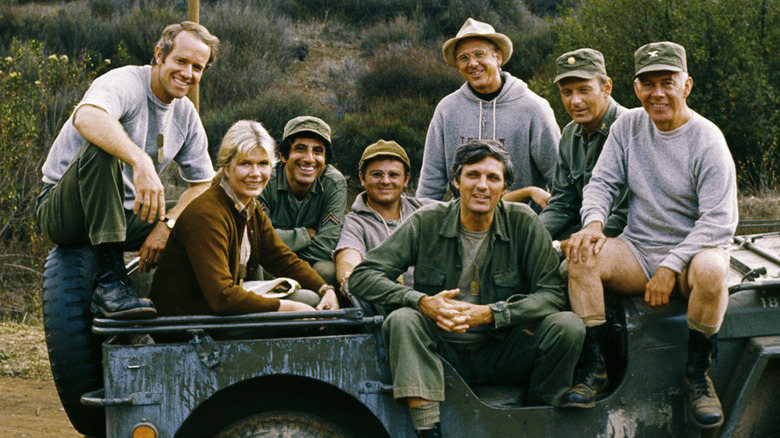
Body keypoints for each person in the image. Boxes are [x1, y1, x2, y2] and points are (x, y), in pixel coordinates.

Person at [350, 140, 584, 437]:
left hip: (504, 351)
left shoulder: (524, 223)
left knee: (567, 326)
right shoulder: (426, 221)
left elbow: (552, 294)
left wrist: (491, 314)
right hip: (442, 354)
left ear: (504, 187)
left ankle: (536, 420)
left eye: (493, 178)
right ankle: (427, 428)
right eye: (473, 175)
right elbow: (363, 275)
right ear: (456, 181)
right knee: (403, 319)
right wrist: (420, 301)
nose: (482, 186)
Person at [561, 42, 738, 431]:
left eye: (667, 82)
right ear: (636, 88)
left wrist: (672, 265)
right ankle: (595, 368)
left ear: (686, 85)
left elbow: (719, 222)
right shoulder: (627, 126)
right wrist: (592, 225)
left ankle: (697, 374)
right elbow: (602, 183)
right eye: (647, 83)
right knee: (581, 256)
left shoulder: (707, 139)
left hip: (693, 255)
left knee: (712, 271)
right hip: (639, 249)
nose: (657, 93)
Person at [35, 21, 220, 319]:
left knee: (206, 216)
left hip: (123, 214)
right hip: (67, 209)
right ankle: (112, 283)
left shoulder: (185, 113)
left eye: (197, 68)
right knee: (101, 148)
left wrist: (168, 224)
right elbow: (87, 118)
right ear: (160, 54)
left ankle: (191, 312)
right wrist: (140, 160)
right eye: (181, 61)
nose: (187, 73)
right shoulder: (124, 82)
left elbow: (203, 183)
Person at [148, 120, 339, 316]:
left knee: (312, 298)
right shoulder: (207, 214)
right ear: (227, 166)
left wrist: (326, 289)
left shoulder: (248, 206)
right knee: (305, 304)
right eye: (245, 163)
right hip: (187, 320)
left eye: (263, 164)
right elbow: (222, 298)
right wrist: (287, 308)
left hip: (213, 307)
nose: (255, 174)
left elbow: (282, 259)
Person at [416, 18, 560, 210]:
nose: (472, 63)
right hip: (464, 225)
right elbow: (430, 184)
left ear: (498, 57)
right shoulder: (447, 109)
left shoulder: (533, 108)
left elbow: (559, 178)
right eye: (464, 58)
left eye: (479, 54)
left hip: (521, 224)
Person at [538, 48, 628, 243]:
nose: (575, 101)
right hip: (582, 232)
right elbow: (562, 204)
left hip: (623, 238)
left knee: (562, 265)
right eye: (567, 93)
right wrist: (531, 238)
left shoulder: (628, 130)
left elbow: (625, 215)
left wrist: (569, 245)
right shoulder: (570, 134)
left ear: (607, 88)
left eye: (584, 90)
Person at [333, 140, 435, 292]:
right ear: (362, 178)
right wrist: (351, 277)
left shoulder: (426, 209)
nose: (386, 181)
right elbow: (348, 260)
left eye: (394, 175)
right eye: (377, 174)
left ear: (406, 179)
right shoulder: (355, 222)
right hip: (386, 301)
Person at [258, 116, 346, 287]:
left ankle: (323, 312)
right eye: (300, 149)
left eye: (318, 151)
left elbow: (327, 244)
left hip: (310, 261)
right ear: (283, 155)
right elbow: (262, 241)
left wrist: (293, 264)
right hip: (271, 263)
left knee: (328, 271)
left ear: (326, 159)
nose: (309, 158)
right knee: (264, 270)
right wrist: (306, 234)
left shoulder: (334, 183)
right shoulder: (265, 178)